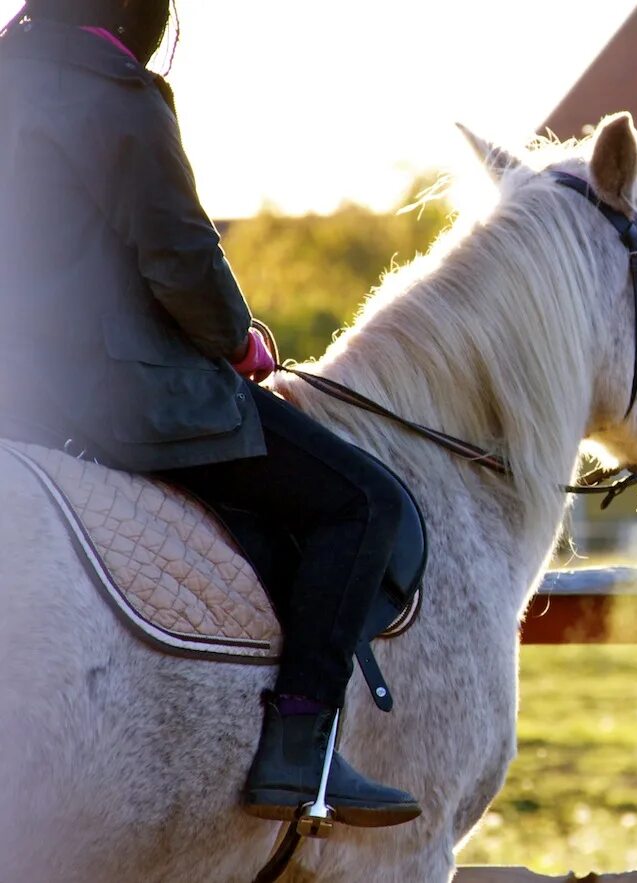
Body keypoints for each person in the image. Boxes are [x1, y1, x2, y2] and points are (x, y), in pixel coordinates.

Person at [0, 0, 421, 828]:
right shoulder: (117, 94)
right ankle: (301, 748)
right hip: (119, 398)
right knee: (362, 502)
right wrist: (238, 346)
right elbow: (181, 256)